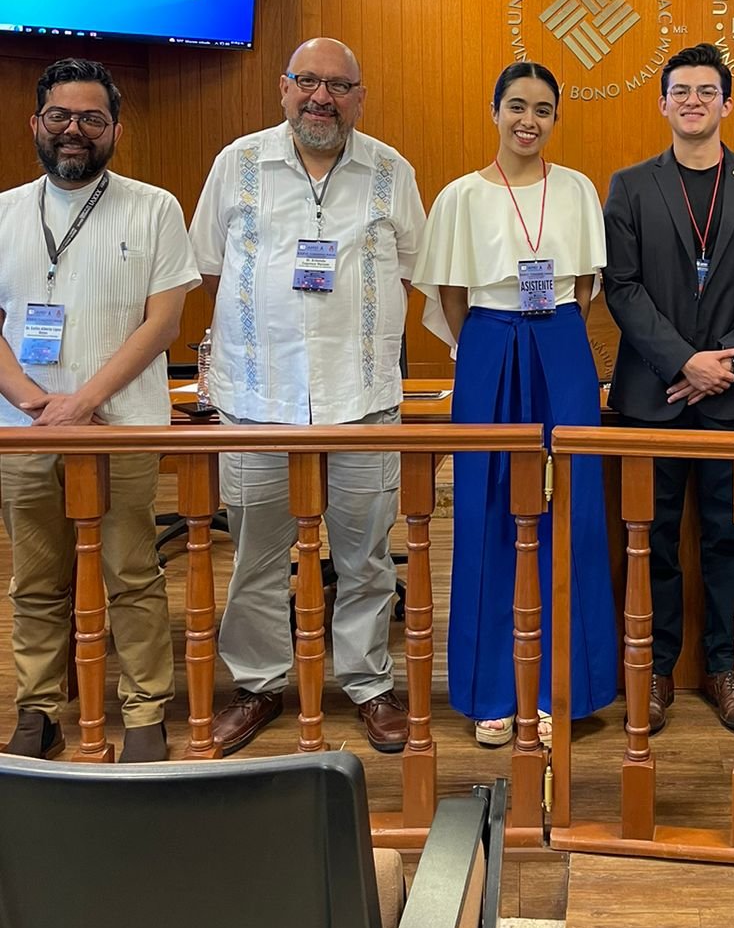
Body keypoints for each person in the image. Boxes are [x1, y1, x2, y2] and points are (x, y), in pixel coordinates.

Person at [190, 38, 425, 755]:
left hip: (363, 398)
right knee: (256, 558)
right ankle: (258, 684)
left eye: (339, 86)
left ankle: (368, 683)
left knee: (366, 558)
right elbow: (208, 267)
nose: (321, 97)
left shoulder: (391, 171)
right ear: (284, 88)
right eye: (308, 82)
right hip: (258, 400)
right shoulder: (237, 164)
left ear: (360, 97)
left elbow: (412, 268)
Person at [0, 57, 200, 763]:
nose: (74, 130)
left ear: (115, 128)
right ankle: (39, 709)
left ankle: (145, 711)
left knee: (133, 574)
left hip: (123, 426)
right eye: (61, 115)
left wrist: (82, 403)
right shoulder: (4, 211)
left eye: (92, 118)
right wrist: (31, 400)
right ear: (37, 123)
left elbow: (162, 323)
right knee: (36, 581)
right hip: (24, 432)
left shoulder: (154, 208)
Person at [412, 62, 616, 746]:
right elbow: (451, 295)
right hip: (489, 345)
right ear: (495, 110)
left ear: (556, 118)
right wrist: (488, 345)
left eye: (544, 109)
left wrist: (550, 335)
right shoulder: (460, 196)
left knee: (572, 509)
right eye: (518, 106)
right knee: (485, 510)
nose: (529, 121)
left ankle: (567, 688)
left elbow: (584, 286)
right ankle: (491, 693)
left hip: (560, 343)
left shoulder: (577, 189)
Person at [603, 43, 734, 734]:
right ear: (662, 104)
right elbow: (622, 288)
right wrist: (684, 362)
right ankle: (652, 670)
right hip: (652, 397)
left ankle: (724, 668)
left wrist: (723, 364)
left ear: (726, 103)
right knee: (648, 540)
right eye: (680, 91)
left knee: (729, 539)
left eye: (706, 91)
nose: (692, 101)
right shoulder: (630, 185)